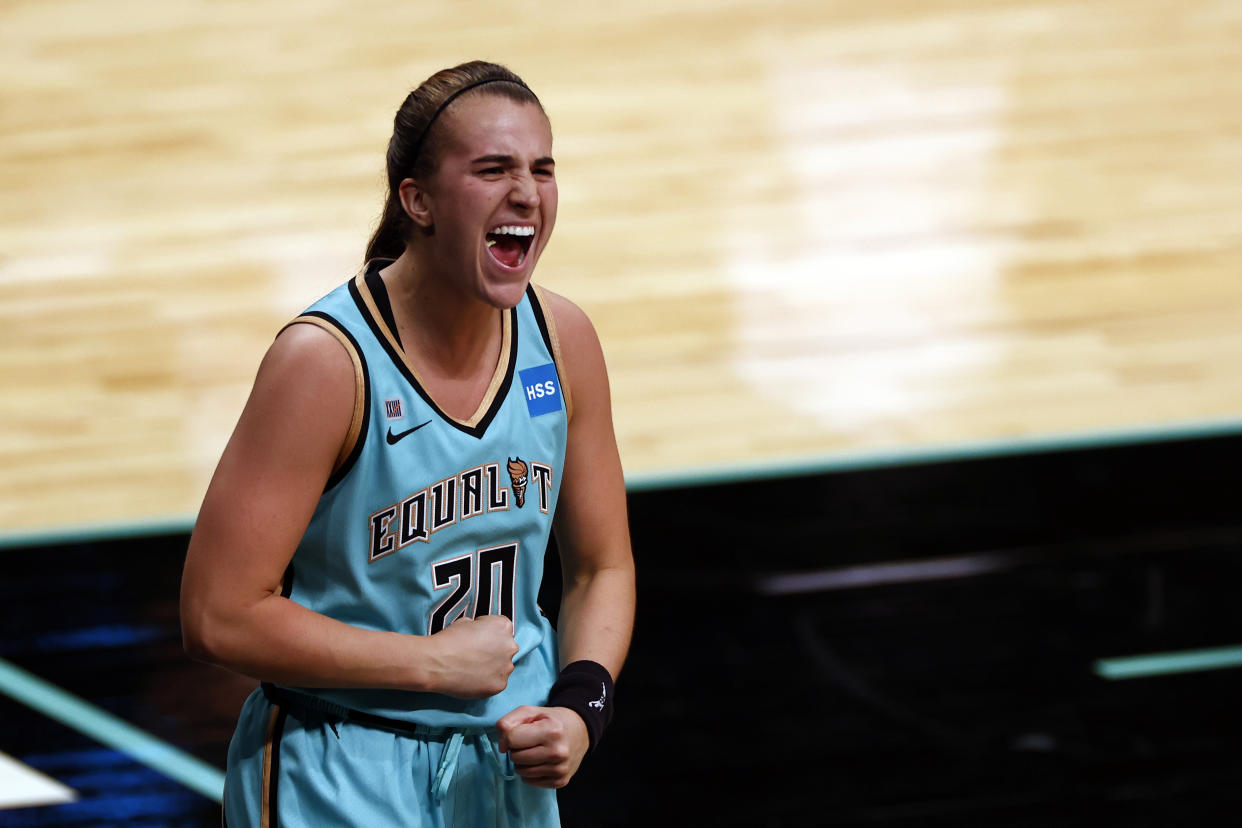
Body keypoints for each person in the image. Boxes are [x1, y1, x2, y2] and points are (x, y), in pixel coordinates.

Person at [180, 60, 636, 828]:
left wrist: (580, 709)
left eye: (542, 169)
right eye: (493, 170)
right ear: (417, 201)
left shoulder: (563, 342)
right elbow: (217, 614)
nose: (526, 192)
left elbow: (602, 566)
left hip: (503, 765)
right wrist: (428, 665)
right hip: (338, 765)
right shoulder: (327, 364)